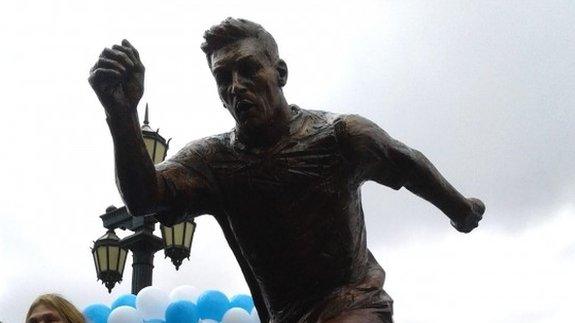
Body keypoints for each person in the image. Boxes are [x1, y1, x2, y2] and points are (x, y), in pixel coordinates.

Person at [89, 18, 485, 323]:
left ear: (279, 73)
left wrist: (460, 209)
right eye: (223, 78)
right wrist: (120, 112)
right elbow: (145, 197)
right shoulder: (212, 161)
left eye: (248, 70)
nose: (236, 86)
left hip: (353, 302)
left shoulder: (339, 136)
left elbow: (408, 164)